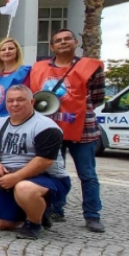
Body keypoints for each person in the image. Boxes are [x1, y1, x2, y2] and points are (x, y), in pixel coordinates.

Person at [30, 29, 105, 233]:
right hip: (51, 129)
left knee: (87, 174)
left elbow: (98, 96)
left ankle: (92, 215)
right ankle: (56, 208)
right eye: (58, 41)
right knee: (53, 171)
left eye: (67, 39)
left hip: (82, 129)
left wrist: (77, 110)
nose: (63, 43)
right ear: (52, 47)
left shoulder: (89, 67)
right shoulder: (39, 68)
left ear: (76, 42)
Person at [0, 85, 71, 240]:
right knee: (0, 223)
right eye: (11, 100)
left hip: (48, 179)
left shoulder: (46, 126)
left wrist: (15, 178)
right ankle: (34, 210)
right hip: (12, 179)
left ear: (32, 102)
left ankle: (35, 223)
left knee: (25, 188)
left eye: (20, 100)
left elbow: (44, 161)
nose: (15, 104)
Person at [0, 37, 31, 125]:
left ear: (17, 51)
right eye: (3, 49)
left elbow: (27, 100)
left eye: (11, 48)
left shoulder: (24, 72)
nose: (7, 51)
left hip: (14, 122)